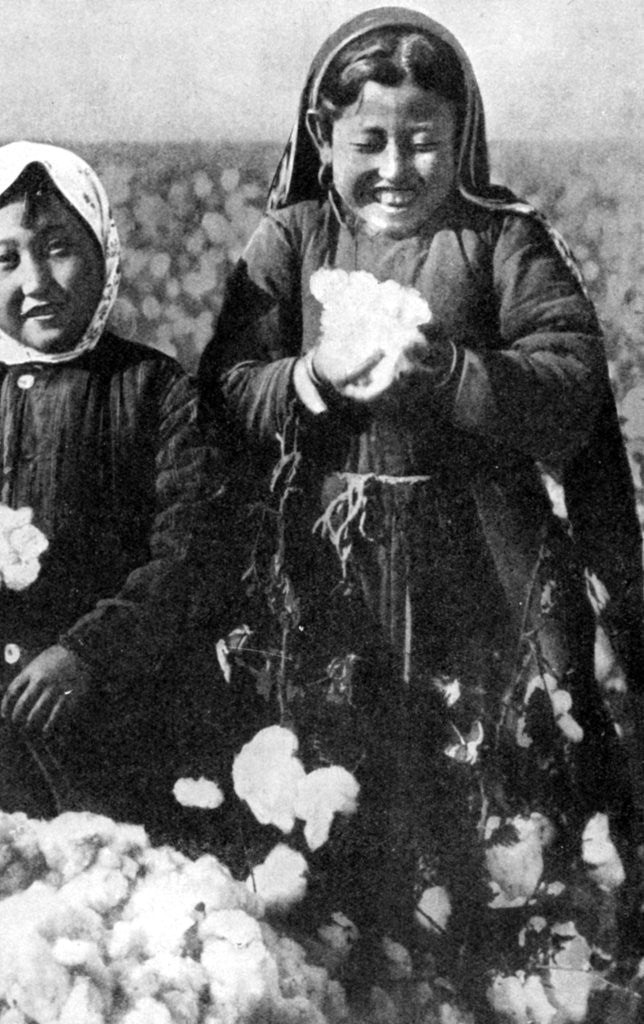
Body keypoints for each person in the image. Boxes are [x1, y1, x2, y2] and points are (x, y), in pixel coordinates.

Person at [199, 6, 644, 980]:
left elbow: (570, 382)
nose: (396, 167)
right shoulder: (294, 236)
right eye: (369, 141)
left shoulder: (499, 243)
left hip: (476, 562)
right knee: (332, 774)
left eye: (422, 141)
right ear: (324, 137)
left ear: (461, 139)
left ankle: (493, 965)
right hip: (322, 562)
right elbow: (224, 388)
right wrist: (311, 377)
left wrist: (447, 371)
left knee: (485, 776)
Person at [0, 141, 223, 836]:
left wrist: (89, 654)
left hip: (134, 737)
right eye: (4, 259)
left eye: (60, 248)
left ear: (102, 251)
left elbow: (192, 552)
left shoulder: (156, 391)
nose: (37, 280)